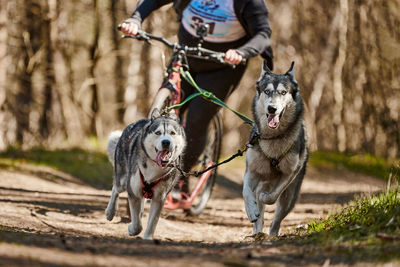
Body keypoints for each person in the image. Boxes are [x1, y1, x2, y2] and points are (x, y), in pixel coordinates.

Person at [120, 0, 273, 175]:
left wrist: (241, 52)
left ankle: (179, 180)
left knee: (196, 120)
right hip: (185, 57)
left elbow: (263, 33)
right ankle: (146, 172)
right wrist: (135, 19)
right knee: (162, 112)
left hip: (222, 68)